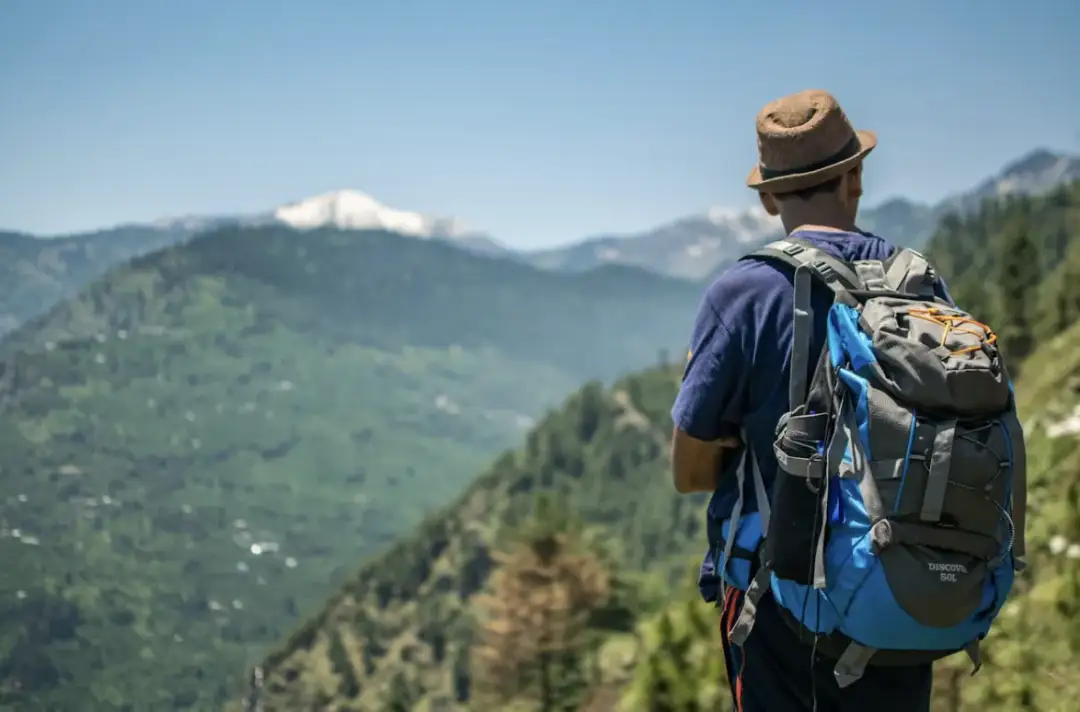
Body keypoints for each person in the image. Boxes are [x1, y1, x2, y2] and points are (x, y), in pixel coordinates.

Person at [670, 89, 943, 712]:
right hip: (901, 596)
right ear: (857, 177)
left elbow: (688, 473)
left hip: (781, 608)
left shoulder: (743, 294)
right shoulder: (919, 286)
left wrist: (738, 440)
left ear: (768, 198)